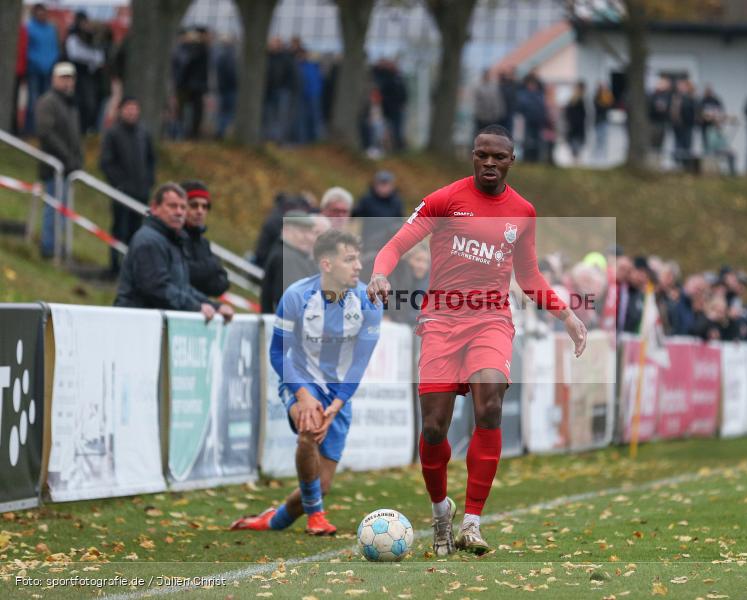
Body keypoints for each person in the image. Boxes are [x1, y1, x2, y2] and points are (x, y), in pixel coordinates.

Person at [366, 125, 587, 556]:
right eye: (482, 154)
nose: (489, 162)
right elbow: (396, 244)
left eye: (498, 157)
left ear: (511, 161)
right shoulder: (445, 200)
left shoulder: (522, 212)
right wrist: (379, 272)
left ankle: (472, 522)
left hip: (490, 321)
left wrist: (567, 314)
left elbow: (529, 276)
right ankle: (441, 512)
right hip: (441, 321)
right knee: (434, 427)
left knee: (489, 405)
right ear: (472, 156)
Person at [230, 230, 382, 535]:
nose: (358, 266)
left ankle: (273, 520)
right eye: (349, 259)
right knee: (309, 428)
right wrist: (301, 394)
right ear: (327, 264)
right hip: (300, 379)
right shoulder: (296, 296)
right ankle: (316, 518)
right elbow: (277, 353)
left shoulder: (369, 302)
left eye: (358, 259)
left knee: (320, 486)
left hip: (338, 392)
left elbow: (359, 364)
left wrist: (337, 405)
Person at [114, 182, 233, 322]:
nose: (179, 212)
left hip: (154, 323)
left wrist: (214, 306)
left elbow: (183, 287)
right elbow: (156, 287)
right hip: (136, 323)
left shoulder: (173, 241)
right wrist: (195, 307)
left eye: (183, 207)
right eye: (172, 206)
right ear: (155, 208)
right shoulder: (149, 241)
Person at [100, 96, 156, 275]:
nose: (132, 112)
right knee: (119, 229)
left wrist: (148, 182)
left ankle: (132, 267)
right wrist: (119, 183)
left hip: (141, 192)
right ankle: (114, 265)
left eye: (135, 109)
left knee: (137, 231)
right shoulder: (113, 133)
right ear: (121, 110)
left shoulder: (143, 133)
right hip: (122, 193)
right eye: (128, 108)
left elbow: (151, 160)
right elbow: (106, 162)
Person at [36, 62, 82, 259]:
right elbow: (45, 132)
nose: (67, 82)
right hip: (53, 165)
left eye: (70, 78)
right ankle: (48, 247)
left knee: (63, 209)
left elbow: (75, 137)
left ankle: (55, 245)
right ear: (54, 79)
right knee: (53, 207)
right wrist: (66, 157)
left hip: (68, 167)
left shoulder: (71, 105)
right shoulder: (48, 101)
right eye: (63, 78)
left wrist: (77, 160)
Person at [260, 211, 330, 313]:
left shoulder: (295, 255)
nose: (309, 238)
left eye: (310, 232)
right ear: (287, 231)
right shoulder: (285, 257)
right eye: (302, 231)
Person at [180, 181, 230, 299]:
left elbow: (222, 283)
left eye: (205, 206)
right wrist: (212, 264)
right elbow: (184, 274)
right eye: (194, 205)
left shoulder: (203, 243)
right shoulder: (173, 238)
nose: (200, 211)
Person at [65, 11, 104, 133]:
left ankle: (86, 130)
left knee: (90, 104)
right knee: (78, 103)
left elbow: (100, 57)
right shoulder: (73, 36)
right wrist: (91, 58)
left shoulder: (93, 37)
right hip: (76, 74)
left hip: (90, 77)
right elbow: (75, 54)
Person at [353, 170, 405, 257]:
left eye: (386, 184)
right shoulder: (366, 200)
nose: (383, 187)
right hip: (369, 243)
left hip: (389, 243)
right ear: (375, 185)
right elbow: (353, 215)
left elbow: (400, 222)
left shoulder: (397, 202)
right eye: (381, 184)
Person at [25, 3, 59, 135]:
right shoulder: (29, 28)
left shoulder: (51, 29)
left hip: (48, 70)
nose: (42, 15)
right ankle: (30, 129)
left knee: (47, 100)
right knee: (33, 100)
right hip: (34, 69)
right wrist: (36, 61)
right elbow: (27, 49)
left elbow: (54, 47)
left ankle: (45, 129)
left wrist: (51, 62)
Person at [214, 36, 238, 139]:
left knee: (223, 111)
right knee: (228, 112)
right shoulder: (230, 56)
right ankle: (223, 132)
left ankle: (221, 131)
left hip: (223, 88)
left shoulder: (219, 55)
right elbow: (231, 73)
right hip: (229, 88)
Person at [564, 81, 587, 163]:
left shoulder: (581, 99)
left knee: (577, 143)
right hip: (575, 126)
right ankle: (575, 158)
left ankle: (576, 158)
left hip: (577, 126)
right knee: (575, 143)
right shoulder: (575, 100)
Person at [592, 82, 614, 162]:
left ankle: (603, 155)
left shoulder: (606, 97)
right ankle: (597, 155)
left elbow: (609, 105)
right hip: (598, 121)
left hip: (603, 120)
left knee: (603, 138)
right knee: (599, 138)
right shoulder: (597, 98)